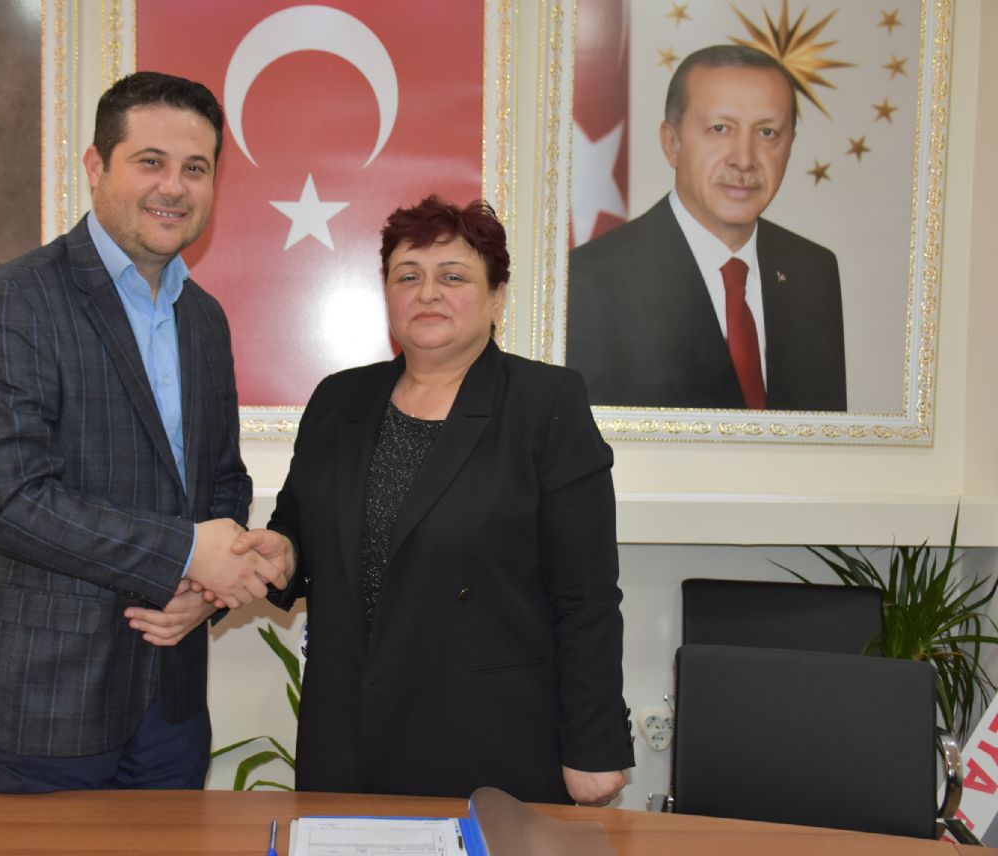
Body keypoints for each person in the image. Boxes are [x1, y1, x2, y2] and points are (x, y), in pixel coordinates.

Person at [0, 71, 284, 794]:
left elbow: (222, 479)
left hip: (171, 707)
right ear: (97, 166)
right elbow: (10, 502)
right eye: (150, 161)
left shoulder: (204, 317)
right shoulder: (10, 302)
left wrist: (204, 590)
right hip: (43, 710)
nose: (174, 187)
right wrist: (187, 553)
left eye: (196, 168)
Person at [232, 196, 634, 804]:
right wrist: (283, 552)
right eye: (408, 276)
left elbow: (587, 595)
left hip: (486, 741)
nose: (427, 293)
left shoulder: (545, 403)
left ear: (497, 297)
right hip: (346, 738)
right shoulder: (337, 399)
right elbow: (300, 527)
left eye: (453, 277)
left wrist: (593, 746)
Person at [567, 44, 846, 411]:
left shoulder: (812, 270)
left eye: (767, 133)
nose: (744, 160)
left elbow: (826, 436)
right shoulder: (591, 280)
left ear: (790, 145)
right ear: (672, 143)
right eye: (720, 129)